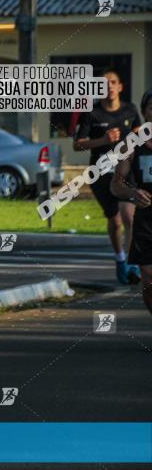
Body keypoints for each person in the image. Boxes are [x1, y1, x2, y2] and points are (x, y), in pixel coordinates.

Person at [74, 68, 142, 284]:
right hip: (100, 172)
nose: (109, 86)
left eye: (113, 82)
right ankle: (120, 259)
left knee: (129, 216)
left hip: (126, 169)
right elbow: (78, 144)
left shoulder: (130, 110)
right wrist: (103, 140)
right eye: (104, 83)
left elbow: (141, 133)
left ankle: (132, 264)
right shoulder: (92, 113)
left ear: (120, 86)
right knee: (115, 221)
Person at [111, 89, 152, 316]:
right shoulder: (133, 144)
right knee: (148, 279)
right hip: (146, 219)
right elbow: (115, 185)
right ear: (145, 112)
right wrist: (134, 193)